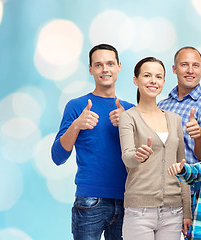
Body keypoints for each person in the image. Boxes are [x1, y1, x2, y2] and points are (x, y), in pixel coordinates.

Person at [51, 43, 134, 240]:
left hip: (128, 201)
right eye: (98, 65)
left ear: (119, 67)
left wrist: (128, 123)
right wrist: (77, 125)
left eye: (110, 63)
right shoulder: (77, 106)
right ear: (90, 69)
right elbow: (57, 157)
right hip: (90, 201)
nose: (105, 69)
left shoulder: (131, 111)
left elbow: (144, 157)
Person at [118, 57, 191, 239]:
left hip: (173, 212)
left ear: (164, 82)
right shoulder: (128, 117)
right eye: (147, 75)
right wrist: (138, 156)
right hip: (139, 211)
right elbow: (127, 157)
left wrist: (187, 210)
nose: (153, 81)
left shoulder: (175, 119)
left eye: (159, 77)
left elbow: (183, 168)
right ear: (136, 80)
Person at [157, 46, 201, 233]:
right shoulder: (161, 105)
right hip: (162, 193)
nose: (190, 70)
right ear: (174, 69)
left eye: (195, 65)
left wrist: (199, 135)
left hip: (195, 195)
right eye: (184, 65)